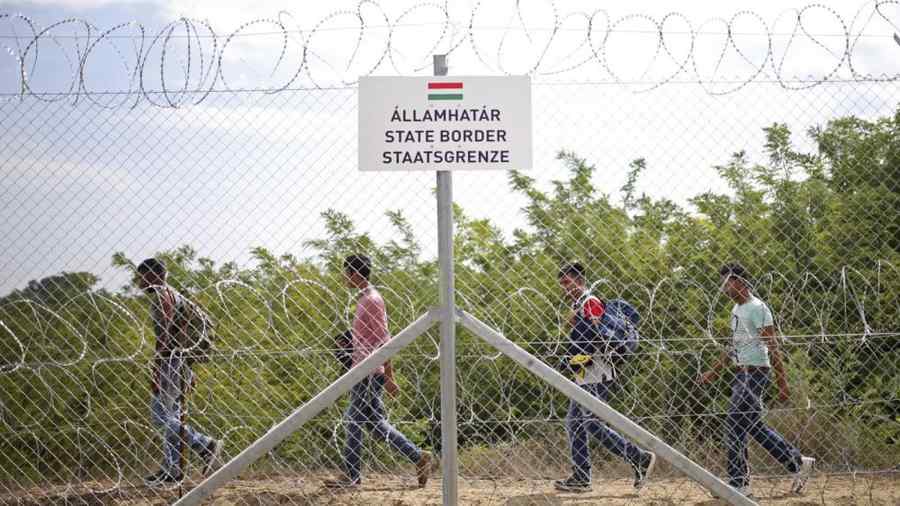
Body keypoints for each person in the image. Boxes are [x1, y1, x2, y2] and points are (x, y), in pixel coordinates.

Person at [699, 263, 815, 497]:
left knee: (733, 424)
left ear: (739, 281)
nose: (723, 288)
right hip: (740, 373)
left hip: (755, 374)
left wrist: (782, 382)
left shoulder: (758, 308)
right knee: (753, 426)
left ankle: (738, 484)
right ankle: (798, 463)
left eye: (726, 282)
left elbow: (773, 346)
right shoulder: (735, 310)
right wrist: (713, 372)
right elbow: (733, 345)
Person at [324, 254, 432, 489]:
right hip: (362, 369)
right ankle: (418, 456)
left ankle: (352, 477)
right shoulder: (364, 299)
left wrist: (389, 376)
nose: (344, 278)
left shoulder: (372, 300)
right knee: (375, 424)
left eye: (346, 273)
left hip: (369, 372)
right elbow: (369, 337)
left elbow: (385, 340)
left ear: (354, 273)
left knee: (352, 421)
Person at [553, 262, 656, 493]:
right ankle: (581, 476)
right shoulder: (579, 305)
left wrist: (570, 350)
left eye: (567, 282)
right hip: (585, 371)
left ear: (579, 281)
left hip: (596, 371)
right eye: (562, 284)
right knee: (575, 422)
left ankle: (638, 457)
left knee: (590, 422)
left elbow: (595, 338)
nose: (564, 288)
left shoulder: (590, 302)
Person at [136, 258, 222, 487]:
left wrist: (158, 365)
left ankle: (205, 445)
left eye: (140, 276)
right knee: (170, 416)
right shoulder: (175, 294)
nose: (138, 282)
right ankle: (171, 469)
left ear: (151, 275)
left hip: (171, 363)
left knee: (160, 417)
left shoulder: (161, 297)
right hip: (181, 361)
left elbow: (164, 336)